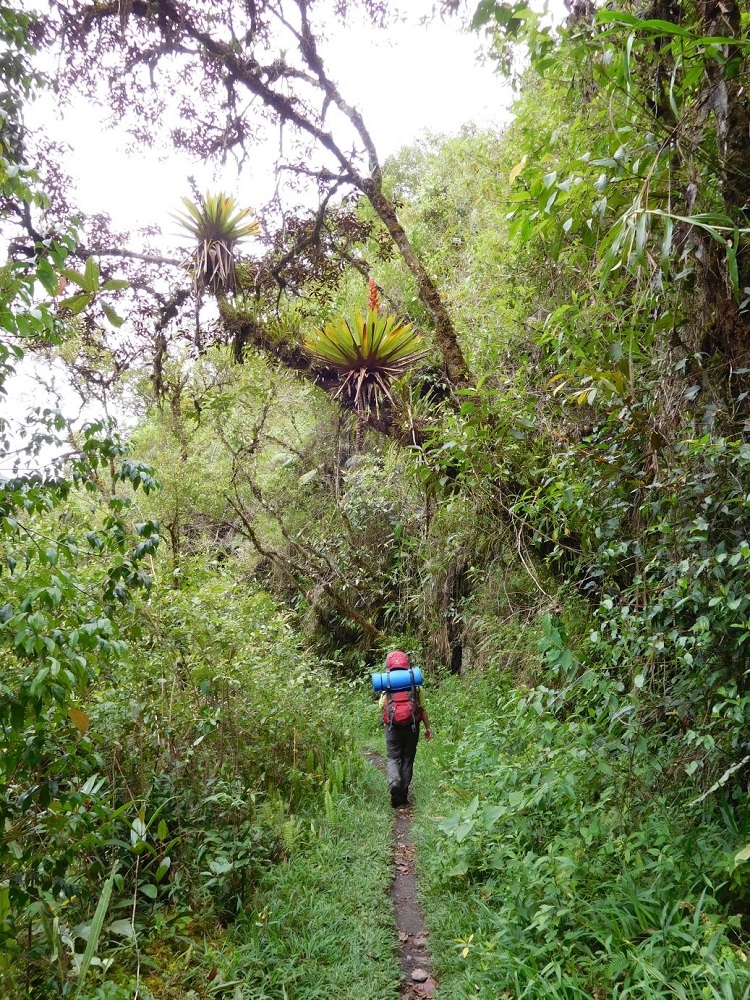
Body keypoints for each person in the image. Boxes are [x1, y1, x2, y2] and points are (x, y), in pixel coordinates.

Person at [378, 650, 432, 808]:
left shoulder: (388, 683)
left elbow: (381, 706)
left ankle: (394, 784)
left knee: (393, 758)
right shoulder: (414, 684)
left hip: (392, 728)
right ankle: (403, 794)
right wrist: (428, 728)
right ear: (407, 664)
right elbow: (422, 709)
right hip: (412, 727)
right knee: (407, 758)